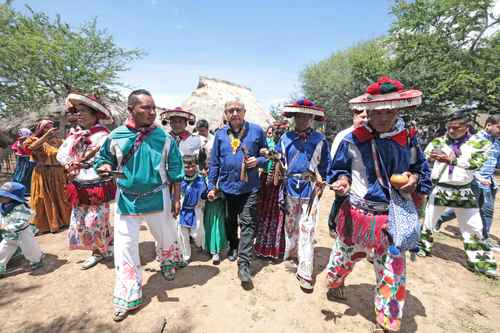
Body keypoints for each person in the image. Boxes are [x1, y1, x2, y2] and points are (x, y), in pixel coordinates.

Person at [326, 76, 431, 332]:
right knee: (343, 259)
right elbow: (339, 169)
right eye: (378, 111)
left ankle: (387, 321)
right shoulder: (352, 139)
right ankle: (335, 281)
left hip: (392, 218)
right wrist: (342, 181)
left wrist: (414, 180)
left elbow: (421, 171)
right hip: (356, 216)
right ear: (368, 110)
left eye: (390, 111)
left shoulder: (408, 139)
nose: (384, 117)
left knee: (392, 271)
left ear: (398, 110)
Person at [94, 89, 184, 322]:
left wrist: (175, 198)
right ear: (131, 109)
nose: (152, 112)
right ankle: (128, 293)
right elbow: (103, 159)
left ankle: (167, 262)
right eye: (146, 108)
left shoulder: (164, 138)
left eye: (154, 108)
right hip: (126, 199)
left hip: (158, 196)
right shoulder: (116, 136)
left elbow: (175, 170)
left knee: (165, 236)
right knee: (125, 248)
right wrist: (104, 167)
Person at [419, 111, 497, 277]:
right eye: (449, 127)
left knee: (474, 226)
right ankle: (421, 247)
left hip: (464, 190)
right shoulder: (439, 141)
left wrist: (452, 161)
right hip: (441, 189)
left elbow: (476, 163)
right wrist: (430, 159)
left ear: (466, 126)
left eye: (456, 127)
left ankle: (480, 262)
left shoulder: (479, 143)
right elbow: (423, 158)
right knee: (429, 221)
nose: (451, 131)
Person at [207, 100, 268, 288]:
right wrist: (211, 185)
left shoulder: (257, 131)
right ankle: (233, 245)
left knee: (248, 223)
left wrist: (257, 161)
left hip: (249, 188)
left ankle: (244, 265)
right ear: (226, 114)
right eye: (230, 110)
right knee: (230, 220)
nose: (234, 113)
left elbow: (267, 157)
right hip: (227, 187)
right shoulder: (219, 135)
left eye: (238, 110)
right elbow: (214, 162)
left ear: (244, 112)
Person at [275, 99, 330, 290]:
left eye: (307, 116)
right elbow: (278, 161)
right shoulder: (284, 138)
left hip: (310, 188)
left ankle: (305, 271)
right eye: (299, 115)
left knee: (307, 227)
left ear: (312, 117)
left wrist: (323, 182)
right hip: (289, 185)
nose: (303, 119)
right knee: (290, 224)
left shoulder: (320, 140)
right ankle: (291, 254)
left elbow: (325, 166)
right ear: (294, 117)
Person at [57, 93, 115, 270]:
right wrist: (69, 163)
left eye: (83, 111)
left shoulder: (104, 136)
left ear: (96, 114)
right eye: (78, 111)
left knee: (95, 221)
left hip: (96, 184)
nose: (79, 114)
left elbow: (107, 159)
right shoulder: (74, 135)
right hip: (78, 184)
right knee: (82, 221)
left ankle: (99, 251)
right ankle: (103, 247)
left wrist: (84, 162)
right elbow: (61, 154)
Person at [435, 115, 500, 251]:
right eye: (499, 127)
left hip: (489, 182)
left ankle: (440, 219)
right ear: (488, 125)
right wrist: (478, 177)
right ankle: (484, 239)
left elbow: (494, 161)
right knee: (476, 209)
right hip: (475, 181)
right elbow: (464, 162)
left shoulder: (497, 141)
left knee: (480, 209)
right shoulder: (474, 140)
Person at [160, 107, 203, 264]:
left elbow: (201, 161)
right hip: (167, 181)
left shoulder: (194, 140)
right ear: (169, 122)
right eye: (174, 121)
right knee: (168, 212)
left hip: (187, 182)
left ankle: (190, 240)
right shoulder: (164, 138)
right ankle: (173, 242)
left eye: (180, 121)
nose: (177, 124)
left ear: (186, 123)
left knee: (189, 209)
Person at [24, 120, 71, 233]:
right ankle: (46, 225)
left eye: (51, 127)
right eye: (46, 128)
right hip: (43, 174)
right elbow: (30, 148)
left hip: (58, 174)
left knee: (62, 197)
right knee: (44, 199)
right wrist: (45, 137)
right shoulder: (34, 140)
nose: (50, 130)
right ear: (41, 129)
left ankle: (64, 220)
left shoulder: (59, 141)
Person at [328, 109, 368, 236]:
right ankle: (333, 225)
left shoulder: (374, 137)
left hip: (363, 187)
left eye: (368, 117)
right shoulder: (345, 137)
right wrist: (342, 179)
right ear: (354, 117)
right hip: (345, 179)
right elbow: (336, 159)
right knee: (340, 202)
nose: (365, 120)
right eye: (362, 117)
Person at [254, 122, 288, 259]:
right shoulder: (266, 145)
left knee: (276, 214)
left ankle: (274, 247)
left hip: (279, 184)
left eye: (279, 132)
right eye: (273, 132)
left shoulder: (285, 145)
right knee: (263, 213)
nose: (275, 134)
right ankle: (262, 246)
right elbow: (261, 156)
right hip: (266, 182)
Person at [0, 182, 43, 277]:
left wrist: (6, 227)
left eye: (4, 196)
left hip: (23, 234)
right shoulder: (3, 207)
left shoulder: (21, 208)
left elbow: (21, 222)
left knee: (31, 249)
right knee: (2, 251)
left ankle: (37, 260)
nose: (1, 198)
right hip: (9, 236)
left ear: (13, 198)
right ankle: (0, 268)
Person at [178, 155, 207, 265]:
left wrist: (205, 198)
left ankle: (198, 244)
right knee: (182, 234)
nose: (190, 169)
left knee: (197, 233)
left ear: (196, 166)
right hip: (182, 211)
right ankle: (186, 255)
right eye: (186, 167)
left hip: (196, 210)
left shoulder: (200, 179)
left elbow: (204, 193)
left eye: (192, 166)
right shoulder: (179, 180)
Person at [10, 128, 36, 195]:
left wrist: (22, 146)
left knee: (25, 174)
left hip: (27, 161)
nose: (19, 135)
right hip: (21, 161)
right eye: (19, 134)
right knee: (18, 174)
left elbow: (28, 151)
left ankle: (25, 190)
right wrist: (17, 152)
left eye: (21, 134)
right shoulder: (19, 141)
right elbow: (14, 148)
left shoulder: (29, 141)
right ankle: (17, 189)